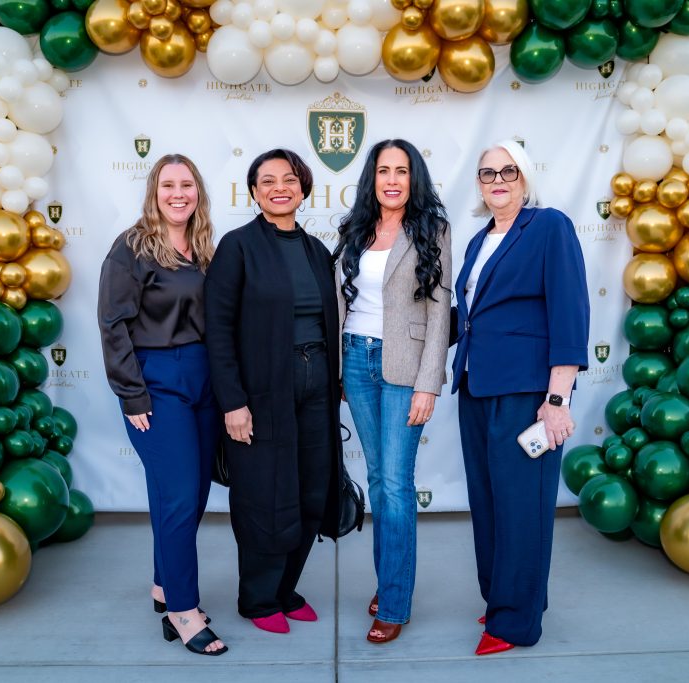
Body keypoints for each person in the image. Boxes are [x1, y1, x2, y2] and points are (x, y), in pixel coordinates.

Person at [451, 140, 590, 655]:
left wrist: (556, 400)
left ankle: (514, 623)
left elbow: (570, 313)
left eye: (508, 170)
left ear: (525, 177)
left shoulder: (549, 226)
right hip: (475, 387)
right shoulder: (477, 241)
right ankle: (505, 597)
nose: (497, 180)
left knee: (522, 507)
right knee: (488, 505)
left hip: (527, 393)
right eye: (488, 173)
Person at [204, 148, 343, 635]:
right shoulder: (237, 247)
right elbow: (217, 329)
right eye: (267, 181)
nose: (279, 187)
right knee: (265, 494)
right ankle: (258, 598)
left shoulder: (317, 251)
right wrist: (233, 402)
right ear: (254, 191)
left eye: (289, 179)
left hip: (318, 388)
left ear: (303, 188)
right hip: (261, 393)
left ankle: (286, 587)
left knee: (311, 490)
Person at [97, 154, 227, 655]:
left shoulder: (202, 247)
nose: (179, 194)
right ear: (154, 191)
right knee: (177, 497)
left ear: (198, 192)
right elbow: (112, 324)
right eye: (169, 185)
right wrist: (132, 394)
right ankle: (183, 610)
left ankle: (162, 584)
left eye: (187, 185)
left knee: (191, 495)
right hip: (156, 380)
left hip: (203, 379)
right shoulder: (130, 248)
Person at [333, 139, 450, 644]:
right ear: (372, 178)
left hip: (404, 367)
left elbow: (440, 312)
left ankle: (395, 602)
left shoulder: (433, 229)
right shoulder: (355, 228)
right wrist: (337, 370)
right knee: (378, 480)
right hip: (356, 360)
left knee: (398, 485)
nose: (393, 179)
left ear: (414, 178)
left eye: (402, 171)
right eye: (384, 170)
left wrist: (429, 383)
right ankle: (390, 581)